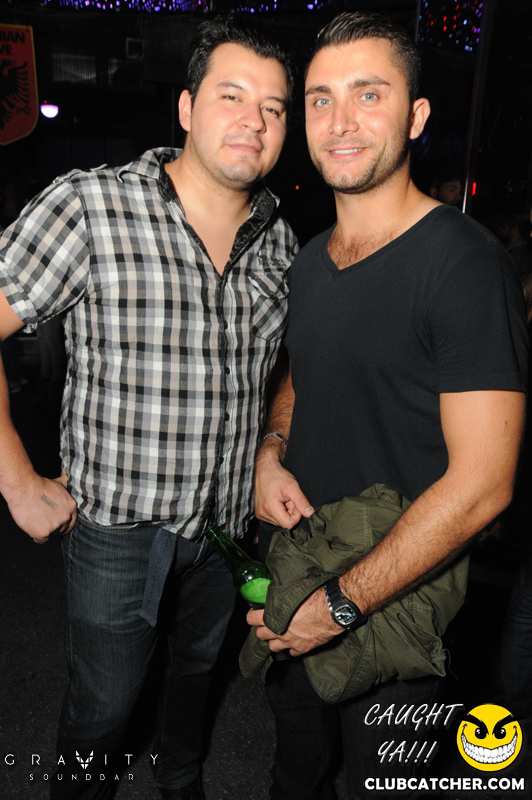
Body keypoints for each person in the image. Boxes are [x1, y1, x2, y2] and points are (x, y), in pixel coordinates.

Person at [0, 15, 296, 800]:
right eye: (232, 96)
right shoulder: (91, 205)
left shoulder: (279, 241)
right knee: (102, 708)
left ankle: (181, 779)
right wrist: (18, 481)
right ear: (187, 107)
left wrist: (269, 448)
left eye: (273, 107)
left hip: (225, 535)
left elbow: (284, 368)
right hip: (118, 534)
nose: (254, 120)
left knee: (194, 679)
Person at [249, 11, 527, 800]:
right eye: (321, 99)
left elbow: (484, 485)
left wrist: (339, 606)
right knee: (294, 770)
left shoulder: (464, 265)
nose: (340, 121)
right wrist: (271, 449)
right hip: (301, 566)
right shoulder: (310, 262)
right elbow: (304, 371)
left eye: (368, 94)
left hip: (396, 600)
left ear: (416, 116)